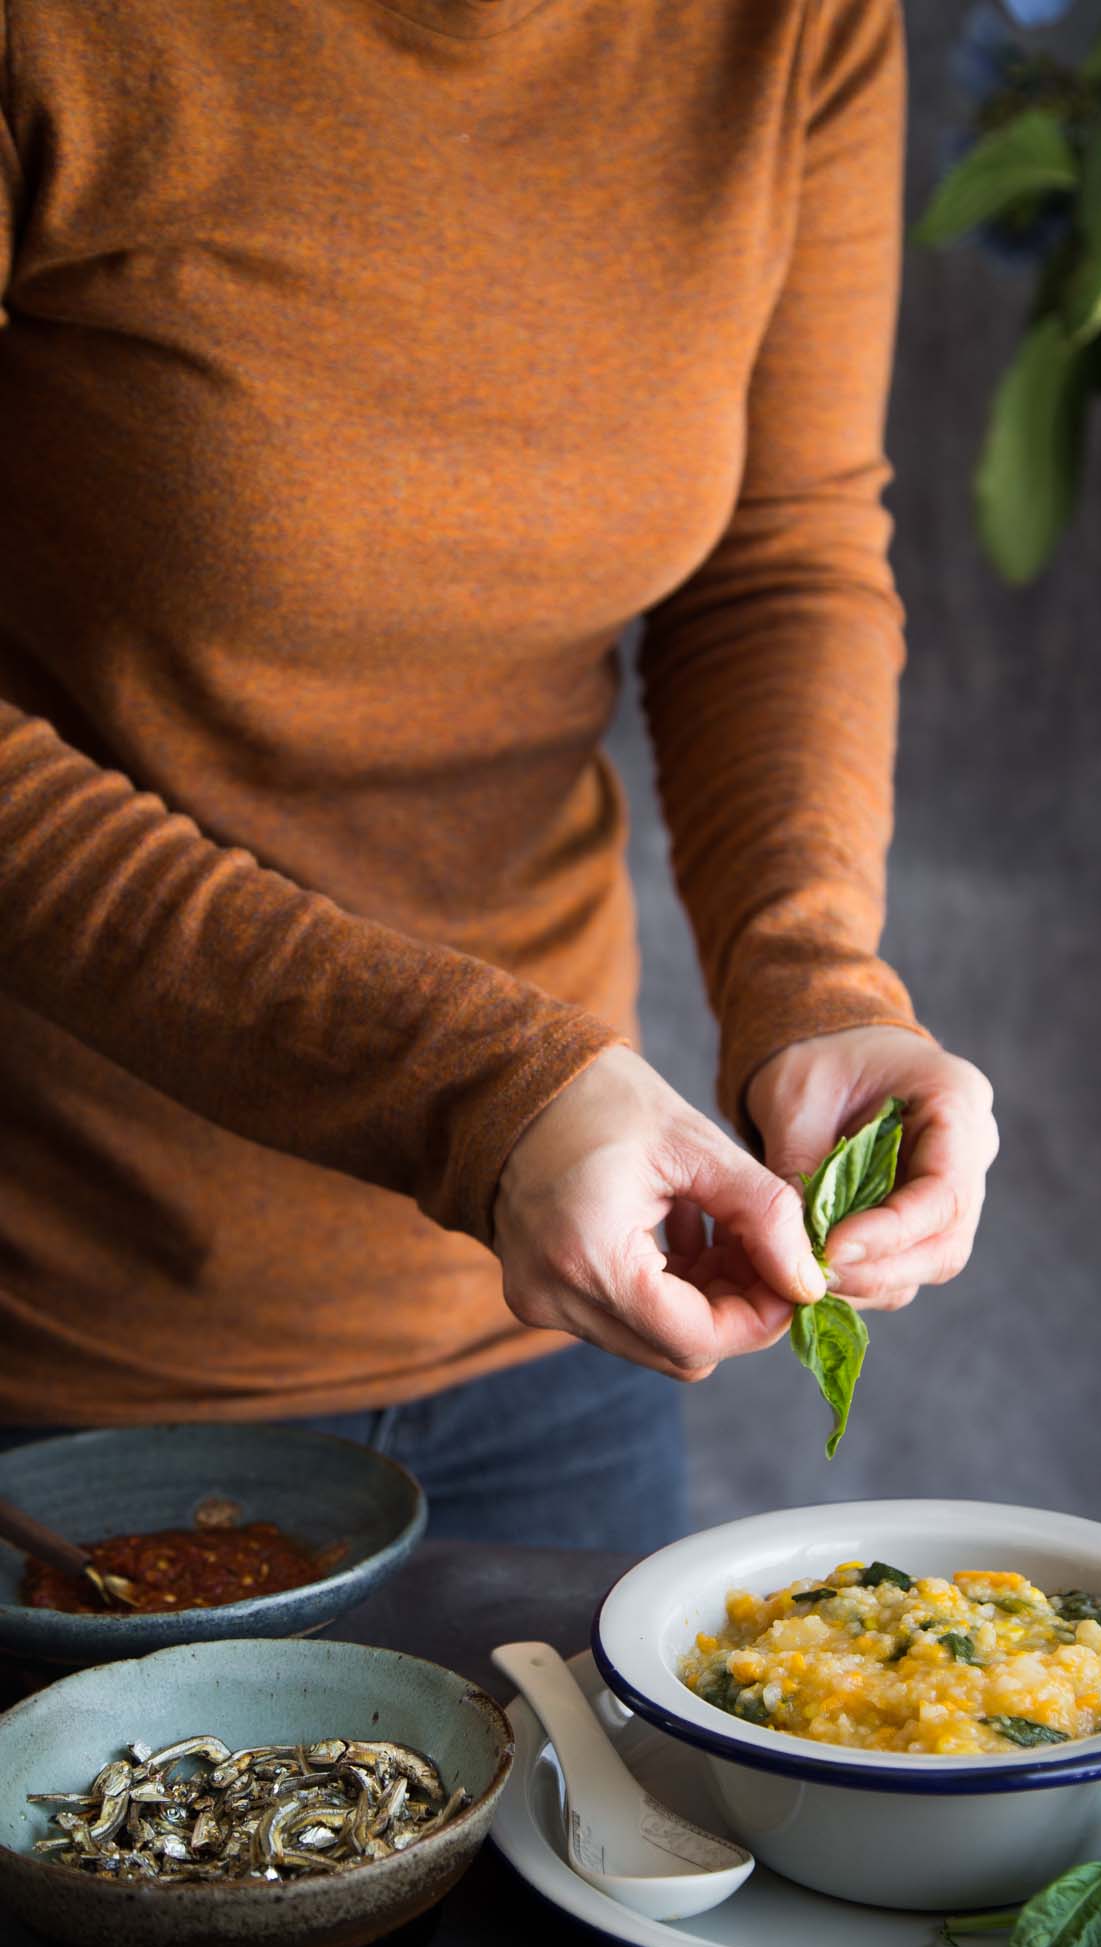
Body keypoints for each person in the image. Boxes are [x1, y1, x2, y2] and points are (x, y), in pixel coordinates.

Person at [0, 0, 997, 1545]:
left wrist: (811, 979)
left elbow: (775, 560)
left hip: (561, 1321)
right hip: (76, 1344)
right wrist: (475, 1091)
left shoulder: (791, 25)